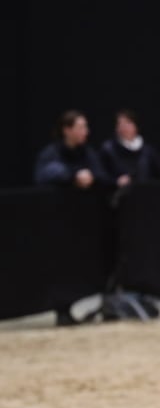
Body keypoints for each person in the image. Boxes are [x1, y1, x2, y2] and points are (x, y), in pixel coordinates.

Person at [33, 109, 108, 326]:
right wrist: (73, 176)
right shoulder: (52, 153)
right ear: (67, 130)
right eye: (81, 127)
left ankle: (97, 306)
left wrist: (91, 177)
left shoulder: (88, 153)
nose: (86, 131)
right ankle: (62, 311)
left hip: (83, 225)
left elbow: (102, 175)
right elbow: (43, 175)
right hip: (57, 224)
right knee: (60, 267)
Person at [98, 108, 160, 187]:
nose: (124, 127)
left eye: (128, 123)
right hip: (118, 192)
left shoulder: (148, 151)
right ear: (116, 128)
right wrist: (115, 181)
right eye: (120, 124)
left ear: (136, 126)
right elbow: (101, 176)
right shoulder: (109, 150)